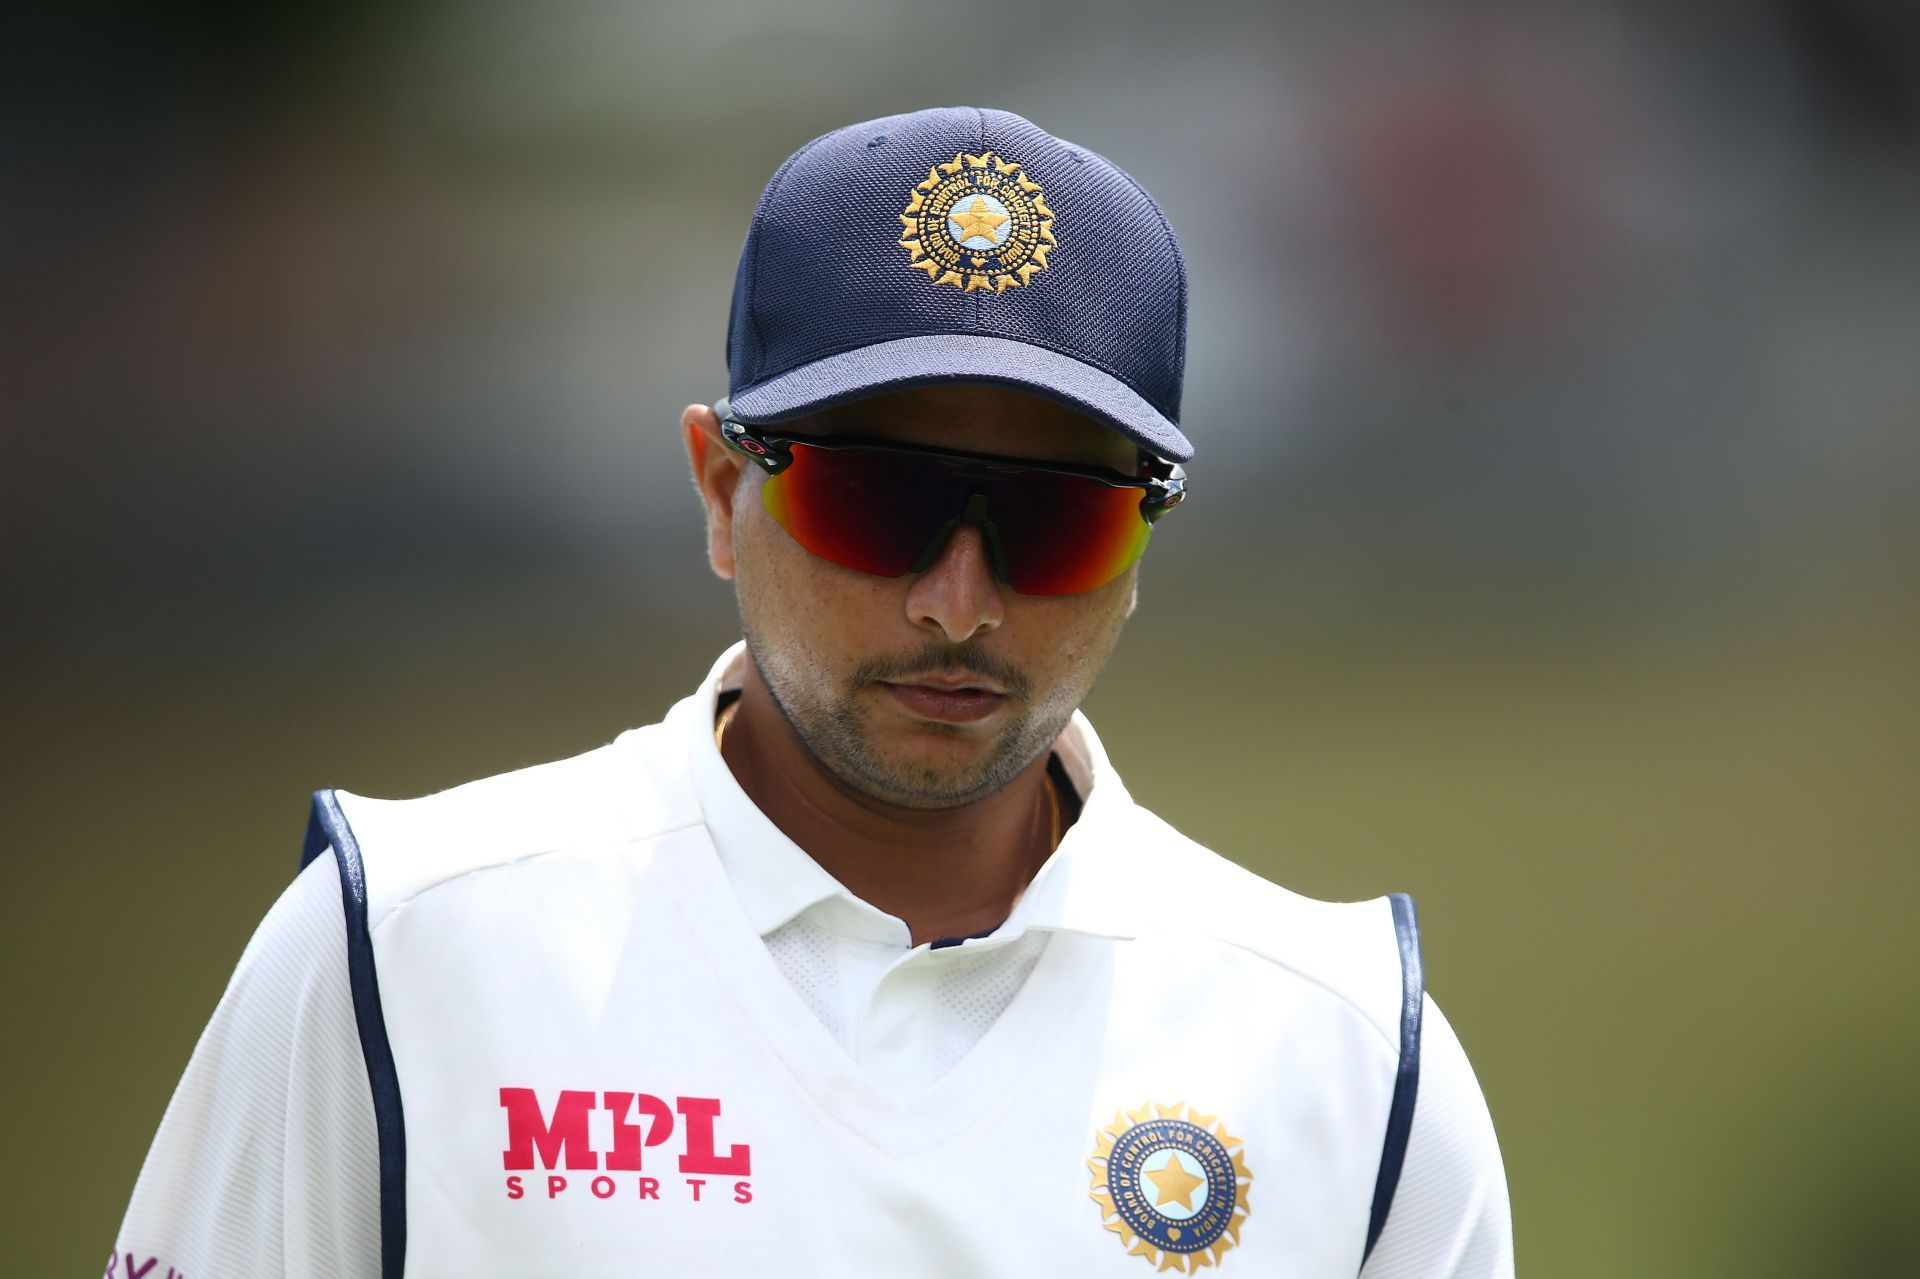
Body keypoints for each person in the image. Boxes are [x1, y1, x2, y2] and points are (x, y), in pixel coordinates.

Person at [111, 106, 1512, 1278]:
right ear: (724, 490)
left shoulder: (1349, 1055)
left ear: (1145, 547)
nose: (957, 601)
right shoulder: (400, 950)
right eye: (874, 493)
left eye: (1059, 520)